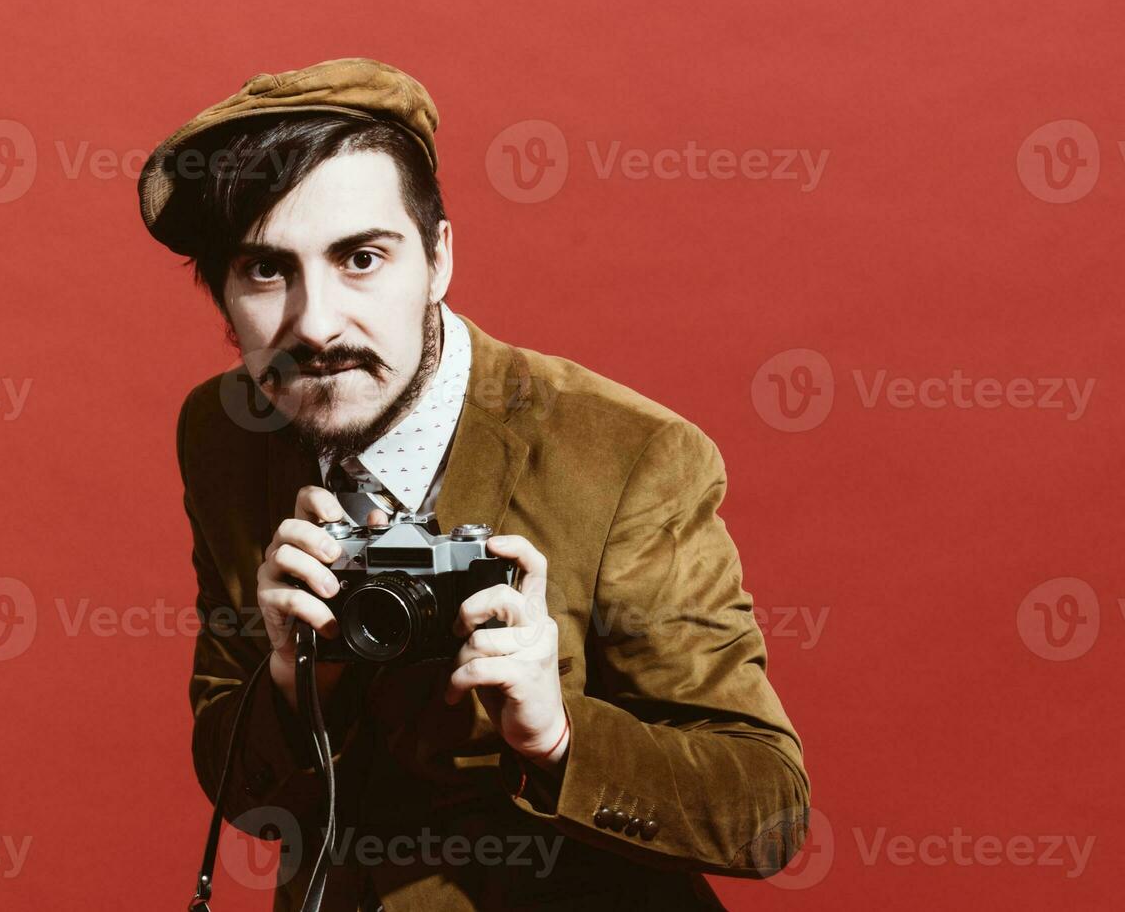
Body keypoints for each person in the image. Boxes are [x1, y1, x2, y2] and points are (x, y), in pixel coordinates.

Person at [140, 57, 810, 911]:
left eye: (362, 258)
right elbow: (242, 791)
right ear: (225, 296)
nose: (315, 324)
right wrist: (291, 682)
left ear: (439, 259)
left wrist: (560, 737)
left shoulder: (627, 456)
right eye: (265, 271)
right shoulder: (226, 433)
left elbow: (767, 811)